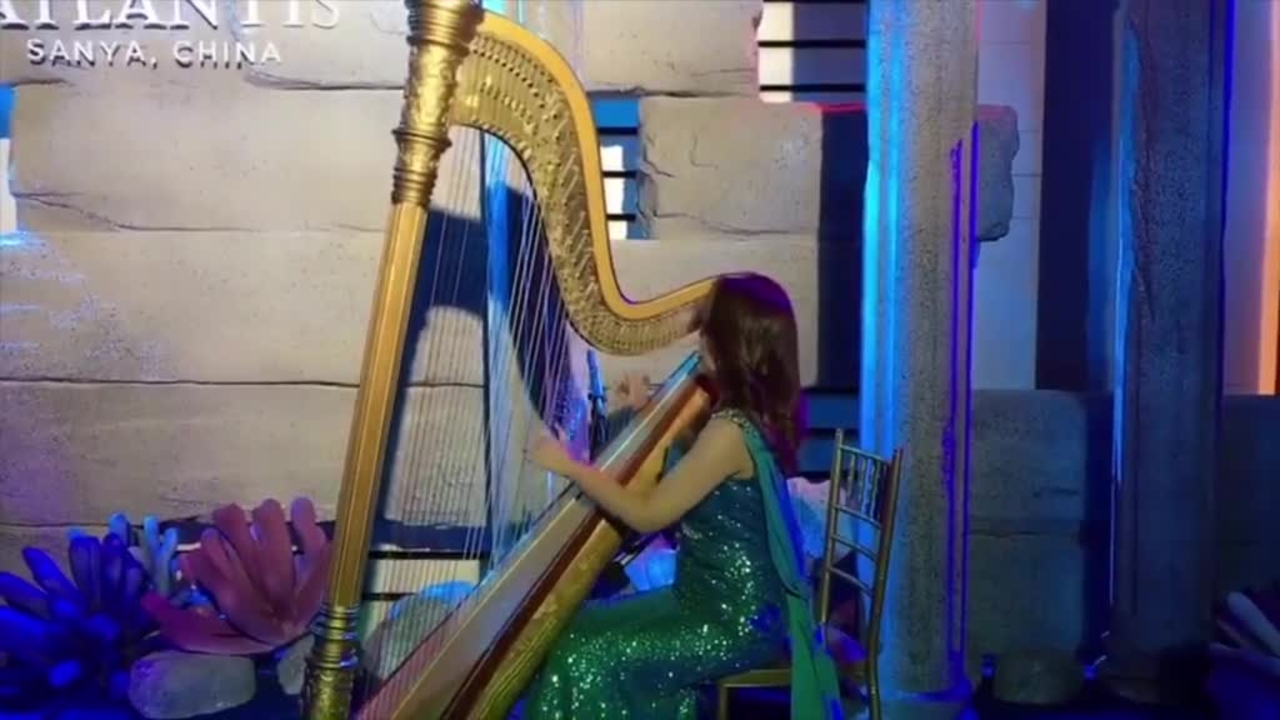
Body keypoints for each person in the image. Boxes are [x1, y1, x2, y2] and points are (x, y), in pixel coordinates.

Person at [523, 273, 844, 719]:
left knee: (584, 654)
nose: (698, 339)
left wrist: (568, 465)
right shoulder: (739, 416)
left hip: (734, 620)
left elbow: (647, 515)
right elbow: (691, 473)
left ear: (730, 344)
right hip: (700, 597)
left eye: (708, 329)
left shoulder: (729, 432)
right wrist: (646, 412)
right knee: (575, 627)